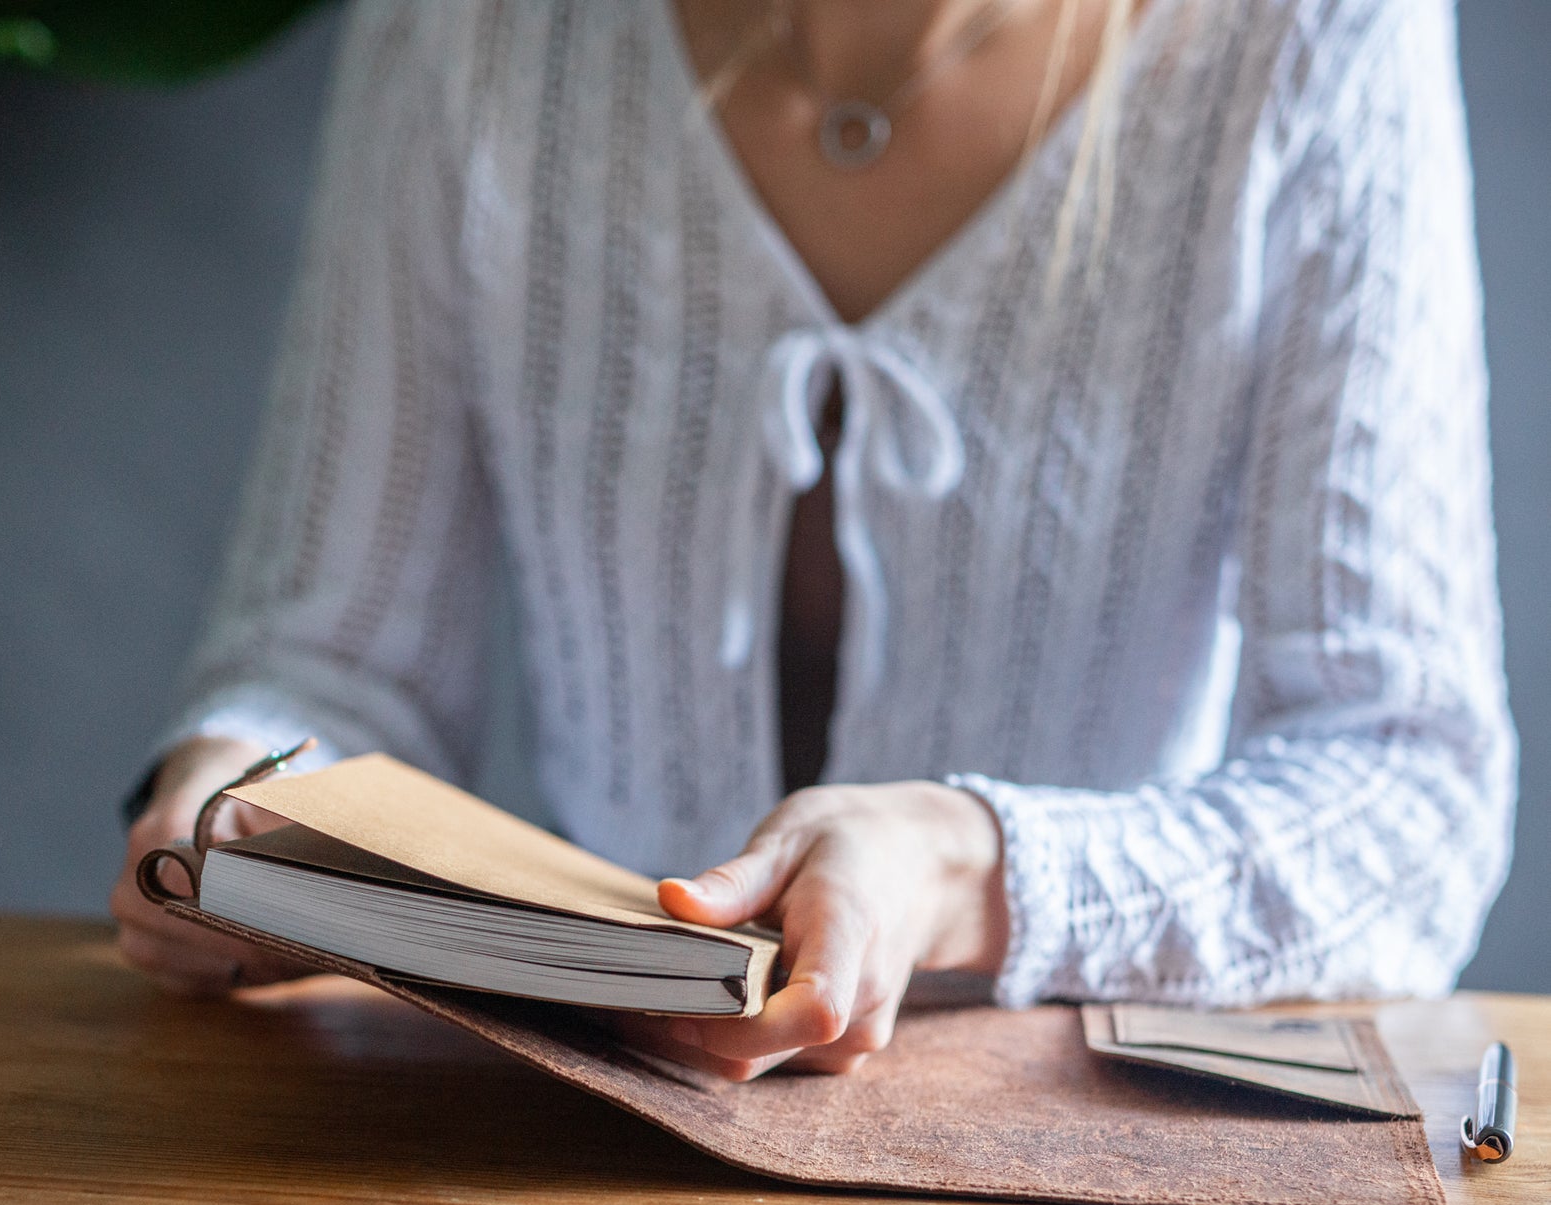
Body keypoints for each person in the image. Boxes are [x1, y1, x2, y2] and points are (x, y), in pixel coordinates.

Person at [111, 0, 1515, 1081]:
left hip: (1066, 1171)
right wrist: (237, 785)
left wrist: (969, 870)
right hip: (562, 1129)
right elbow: (332, 660)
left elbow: (1410, 791)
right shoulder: (471, 28)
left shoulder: (1318, 38)